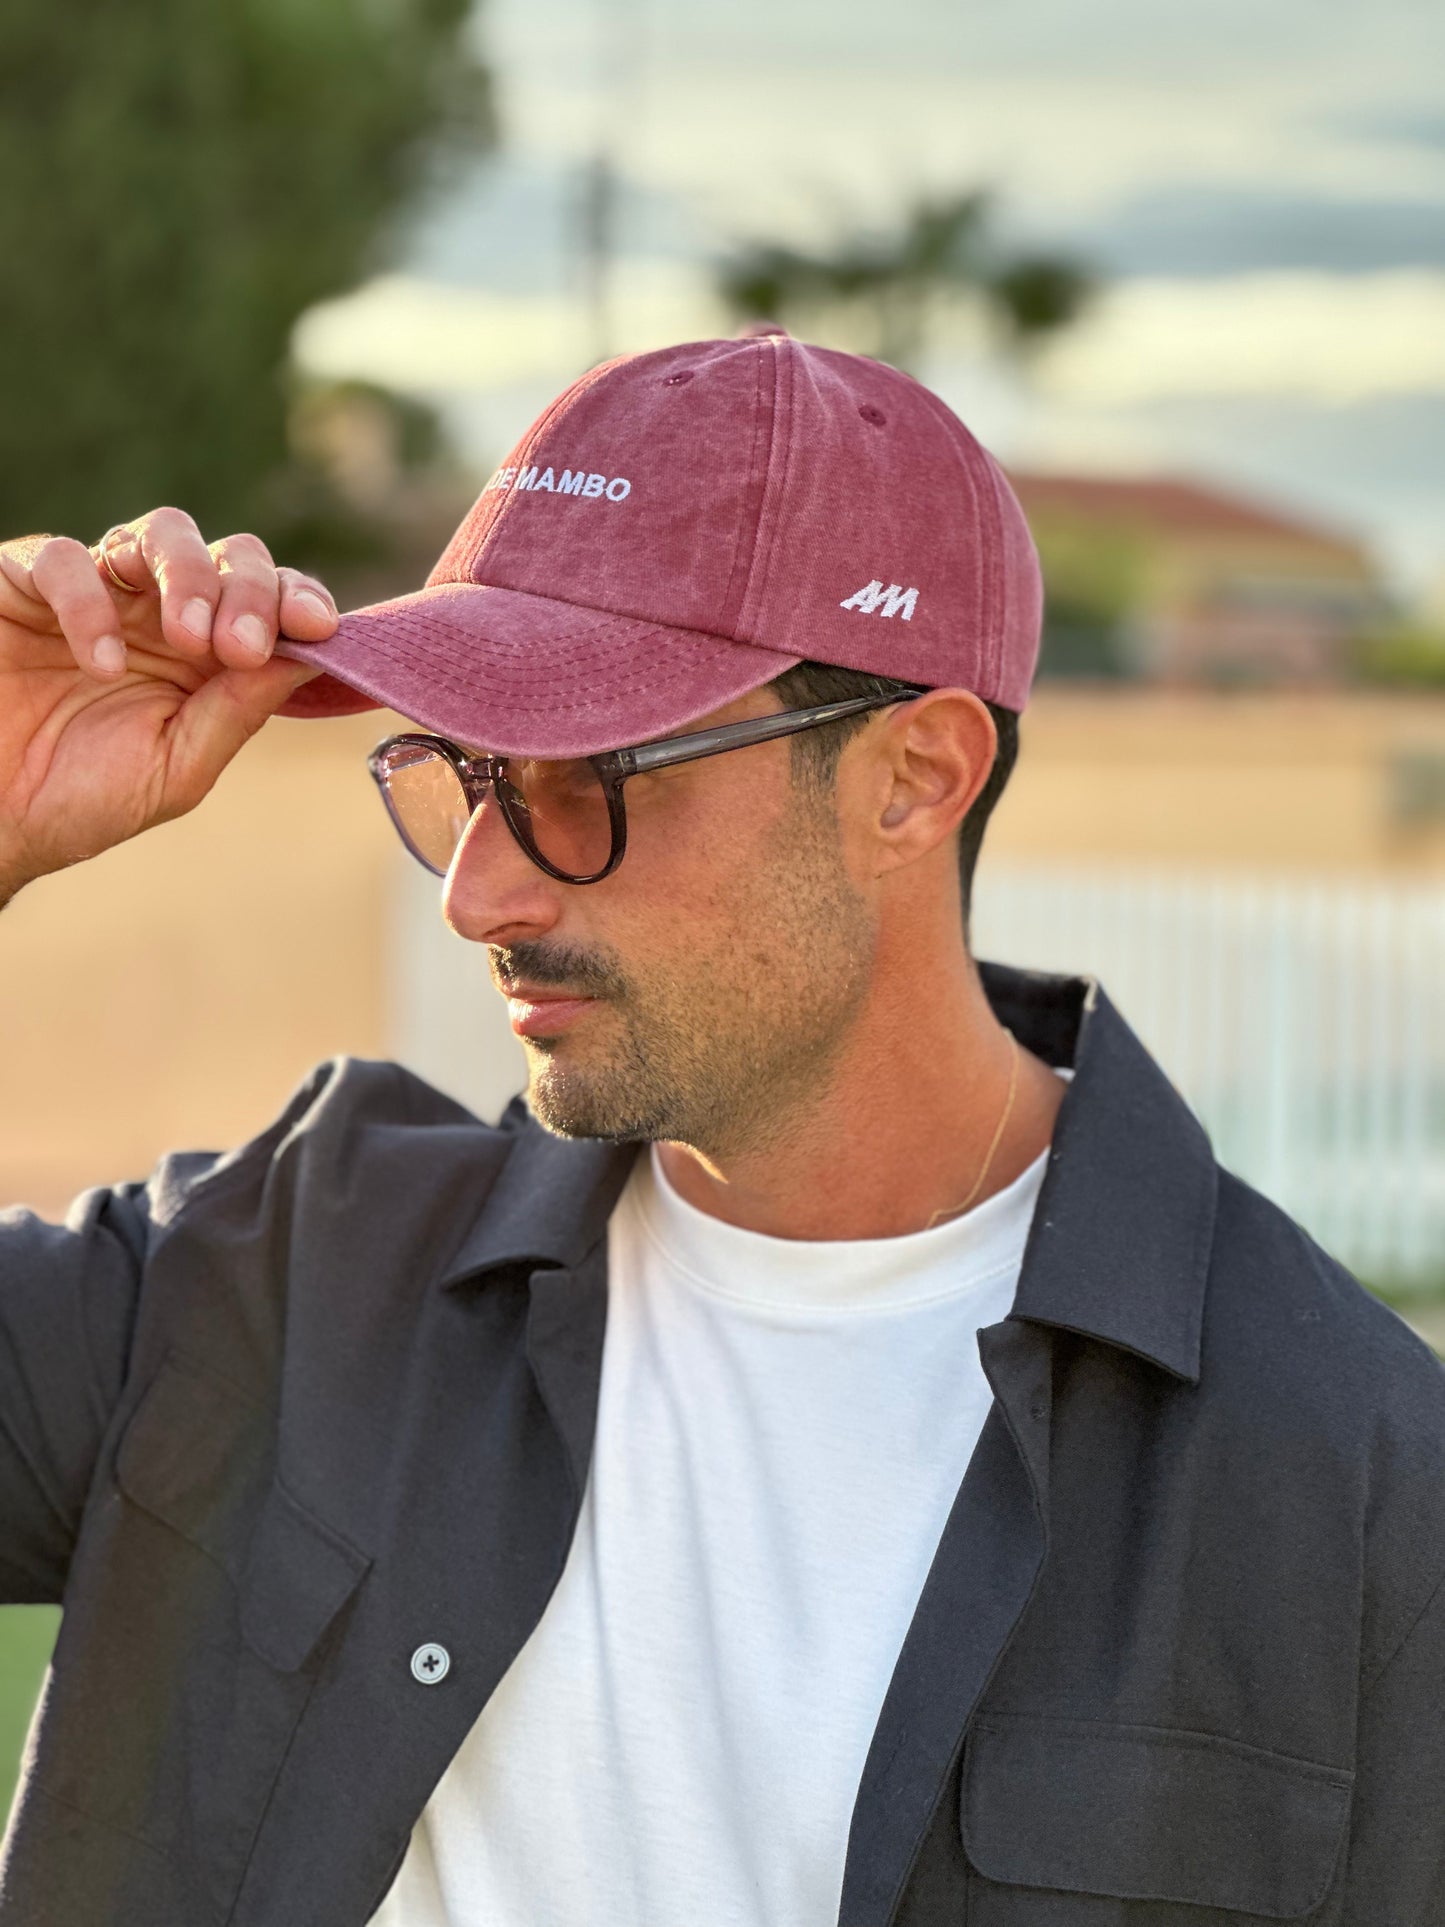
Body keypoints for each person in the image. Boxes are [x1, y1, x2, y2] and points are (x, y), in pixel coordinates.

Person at [0, 330, 1440, 1927]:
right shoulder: (279, 1275)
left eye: (591, 778)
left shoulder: (1358, 1483)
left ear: (913, 779)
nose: (479, 891)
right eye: (468, 772)